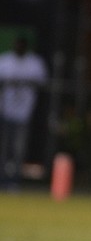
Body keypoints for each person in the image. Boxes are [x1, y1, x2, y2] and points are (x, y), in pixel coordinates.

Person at [0, 35, 48, 189]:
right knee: (4, 148)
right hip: (5, 111)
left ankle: (14, 180)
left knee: (18, 149)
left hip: (23, 114)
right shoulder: (5, 61)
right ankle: (2, 179)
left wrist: (24, 82)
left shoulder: (34, 63)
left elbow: (42, 81)